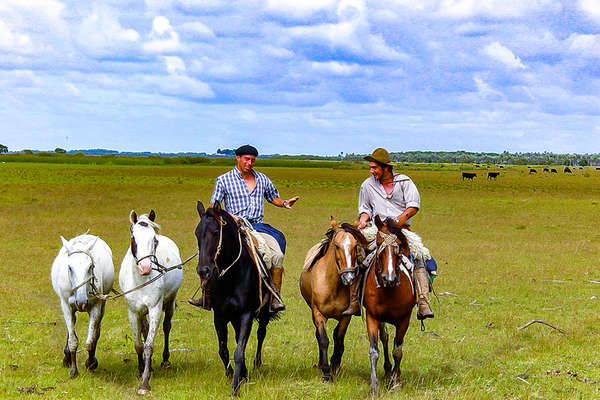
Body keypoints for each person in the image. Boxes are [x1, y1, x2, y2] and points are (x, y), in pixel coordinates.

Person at [189, 144, 299, 312]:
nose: (250, 163)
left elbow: (272, 197)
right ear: (238, 158)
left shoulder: (262, 179)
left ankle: (275, 297)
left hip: (257, 227)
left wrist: (284, 203)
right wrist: (228, 215)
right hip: (233, 227)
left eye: (253, 160)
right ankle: (206, 295)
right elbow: (213, 207)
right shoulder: (224, 180)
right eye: (247, 159)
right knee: (209, 253)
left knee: (276, 255)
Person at [343, 147, 436, 320]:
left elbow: (413, 206)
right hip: (376, 229)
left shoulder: (405, 182)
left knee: (420, 257)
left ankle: (423, 302)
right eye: (370, 168)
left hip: (400, 230)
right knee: (357, 253)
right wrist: (363, 219)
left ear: (386, 167)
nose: (371, 171)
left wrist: (397, 221)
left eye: (374, 168)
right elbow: (364, 210)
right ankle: (354, 300)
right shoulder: (367, 185)